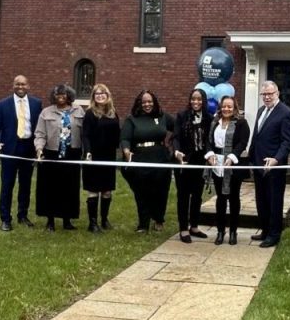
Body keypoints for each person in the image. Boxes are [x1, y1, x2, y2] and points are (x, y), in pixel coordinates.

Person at [0, 74, 43, 231]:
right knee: (7, 185)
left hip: (28, 149)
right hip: (9, 150)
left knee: (25, 185)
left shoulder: (36, 104)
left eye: (23, 84)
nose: (20, 87)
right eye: (17, 84)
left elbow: (39, 128)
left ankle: (23, 215)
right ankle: (5, 219)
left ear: (28, 86)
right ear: (13, 86)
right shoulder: (2, 104)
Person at [248, 80, 290, 248]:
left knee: (274, 200)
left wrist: (276, 159)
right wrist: (251, 157)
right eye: (264, 94)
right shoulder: (262, 110)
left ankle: (274, 234)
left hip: (274, 167)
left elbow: (286, 142)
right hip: (259, 164)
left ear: (277, 93)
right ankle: (265, 229)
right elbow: (257, 136)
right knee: (261, 200)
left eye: (270, 94)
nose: (267, 97)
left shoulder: (286, 113)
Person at [120, 89, 174, 232]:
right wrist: (126, 151)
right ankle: (143, 223)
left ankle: (158, 219)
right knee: (142, 192)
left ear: (154, 102)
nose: (147, 104)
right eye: (144, 102)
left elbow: (178, 128)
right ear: (139, 103)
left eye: (150, 101)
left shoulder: (162, 117)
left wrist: (175, 144)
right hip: (140, 159)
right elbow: (125, 138)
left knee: (161, 190)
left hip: (160, 158)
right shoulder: (132, 119)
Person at [34, 84, 84, 231]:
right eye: (57, 94)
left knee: (69, 187)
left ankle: (67, 220)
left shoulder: (79, 111)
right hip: (51, 153)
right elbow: (40, 134)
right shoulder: (46, 112)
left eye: (63, 94)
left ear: (69, 96)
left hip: (72, 154)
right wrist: (39, 149)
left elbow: (85, 134)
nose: (60, 97)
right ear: (53, 96)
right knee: (50, 188)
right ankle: (50, 221)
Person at [205, 95, 250, 245]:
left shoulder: (241, 123)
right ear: (220, 107)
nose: (226, 109)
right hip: (218, 163)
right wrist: (210, 154)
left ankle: (233, 231)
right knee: (221, 198)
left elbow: (243, 142)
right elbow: (208, 141)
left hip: (233, 165)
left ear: (235, 108)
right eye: (224, 106)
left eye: (229, 106)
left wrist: (232, 156)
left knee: (234, 198)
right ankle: (220, 231)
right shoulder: (214, 122)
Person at [173, 88, 213, 243]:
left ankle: (194, 226)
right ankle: (183, 228)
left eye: (199, 99)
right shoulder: (182, 116)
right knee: (183, 195)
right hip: (184, 160)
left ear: (203, 101)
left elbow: (209, 140)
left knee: (197, 195)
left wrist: (209, 155)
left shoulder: (209, 118)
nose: (196, 102)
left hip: (200, 161)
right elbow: (175, 137)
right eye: (193, 99)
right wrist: (177, 152)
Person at [81, 83, 120, 233]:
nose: (100, 96)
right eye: (97, 94)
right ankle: (92, 223)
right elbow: (85, 135)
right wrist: (88, 152)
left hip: (108, 156)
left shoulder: (113, 113)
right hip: (94, 156)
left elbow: (117, 134)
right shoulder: (90, 113)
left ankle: (104, 219)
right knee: (93, 190)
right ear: (93, 97)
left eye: (102, 93)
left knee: (107, 190)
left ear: (107, 95)